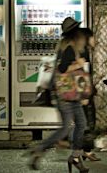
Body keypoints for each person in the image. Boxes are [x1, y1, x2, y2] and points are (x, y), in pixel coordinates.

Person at [28, 17, 89, 173]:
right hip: (66, 94)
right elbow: (62, 69)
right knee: (66, 128)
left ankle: (75, 157)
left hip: (71, 93)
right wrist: (78, 65)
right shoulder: (69, 48)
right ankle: (40, 149)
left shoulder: (70, 47)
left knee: (81, 124)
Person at [79, 27, 100, 161]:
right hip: (84, 92)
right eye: (93, 37)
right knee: (88, 121)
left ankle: (84, 150)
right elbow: (84, 74)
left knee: (85, 121)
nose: (95, 40)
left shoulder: (83, 51)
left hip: (83, 91)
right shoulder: (84, 52)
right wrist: (87, 93)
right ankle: (85, 151)